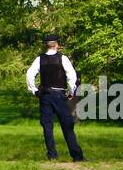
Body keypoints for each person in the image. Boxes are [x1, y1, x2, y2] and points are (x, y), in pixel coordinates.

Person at [25, 34, 85, 162]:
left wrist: (34, 91)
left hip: (45, 96)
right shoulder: (63, 58)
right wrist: (71, 91)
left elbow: (30, 75)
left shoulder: (39, 59)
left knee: (47, 126)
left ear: (46, 45)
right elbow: (71, 76)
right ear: (56, 45)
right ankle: (77, 156)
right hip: (59, 95)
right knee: (67, 125)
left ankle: (52, 155)